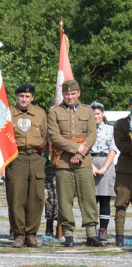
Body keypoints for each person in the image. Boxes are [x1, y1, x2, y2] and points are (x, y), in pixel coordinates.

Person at [48, 79, 101, 247]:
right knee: (64, 199)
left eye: (72, 94)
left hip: (84, 161)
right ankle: (68, 234)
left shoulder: (87, 111)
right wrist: (75, 149)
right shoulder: (55, 112)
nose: (69, 97)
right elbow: (55, 137)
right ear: (62, 94)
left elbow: (92, 135)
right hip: (63, 162)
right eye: (66, 94)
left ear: (78, 93)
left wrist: (80, 153)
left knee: (88, 198)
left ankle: (91, 234)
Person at [5, 84, 48, 247]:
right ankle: (19, 234)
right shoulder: (8, 113)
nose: (24, 99)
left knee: (36, 198)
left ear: (32, 98)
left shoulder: (40, 113)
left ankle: (31, 234)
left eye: (27, 97)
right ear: (17, 97)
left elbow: (43, 135)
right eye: (21, 96)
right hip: (17, 158)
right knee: (16, 197)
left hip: (36, 157)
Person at [90, 102, 118, 243]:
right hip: (90, 163)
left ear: (103, 113)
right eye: (93, 114)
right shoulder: (86, 130)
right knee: (91, 200)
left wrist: (103, 168)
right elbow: (83, 149)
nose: (95, 116)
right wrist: (92, 167)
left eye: (98, 113)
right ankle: (92, 229)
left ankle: (103, 230)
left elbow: (113, 150)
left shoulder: (111, 129)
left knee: (105, 199)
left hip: (106, 162)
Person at [113, 97, 132, 246]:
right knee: (121, 203)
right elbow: (122, 145)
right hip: (125, 169)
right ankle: (119, 237)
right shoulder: (120, 123)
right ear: (129, 106)